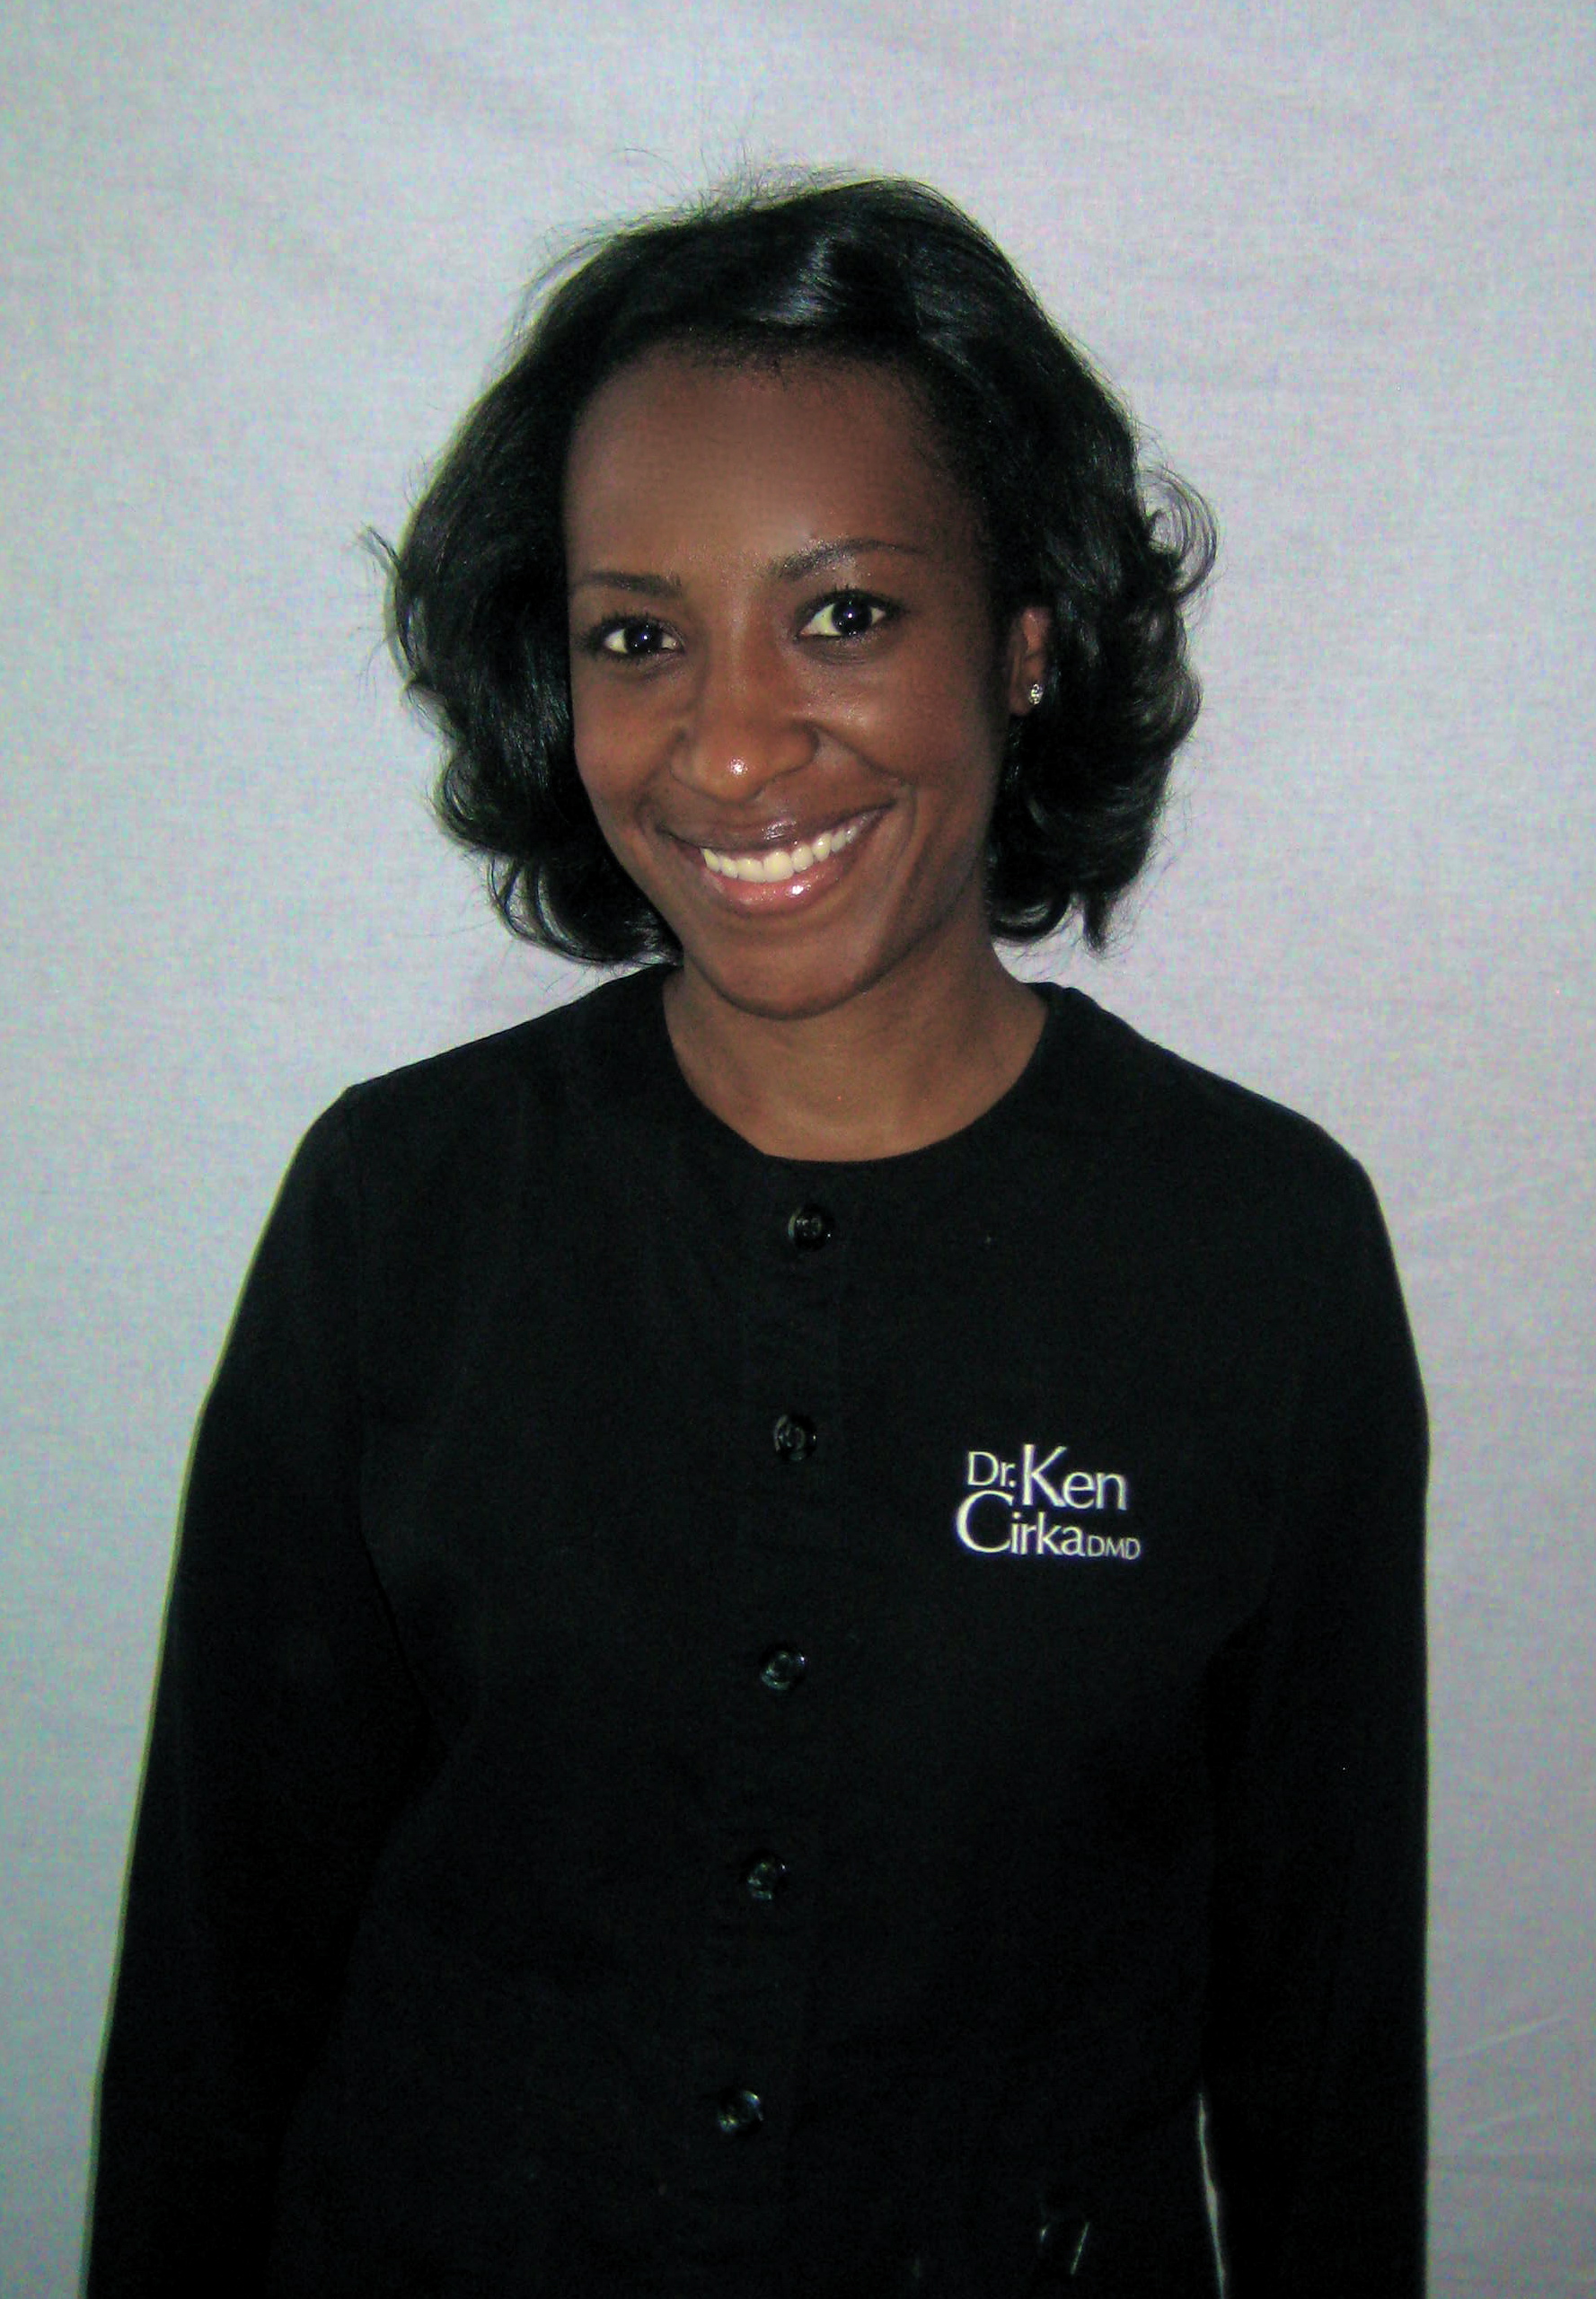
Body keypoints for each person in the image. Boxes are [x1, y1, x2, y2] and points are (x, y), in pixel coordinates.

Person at [88, 176, 1428, 2297]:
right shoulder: (400, 1209)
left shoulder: (1260, 1251)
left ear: (1024, 639)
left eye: (844, 614)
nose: (726, 744)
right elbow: (216, 1988)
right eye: (637, 636)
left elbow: (1322, 2046)